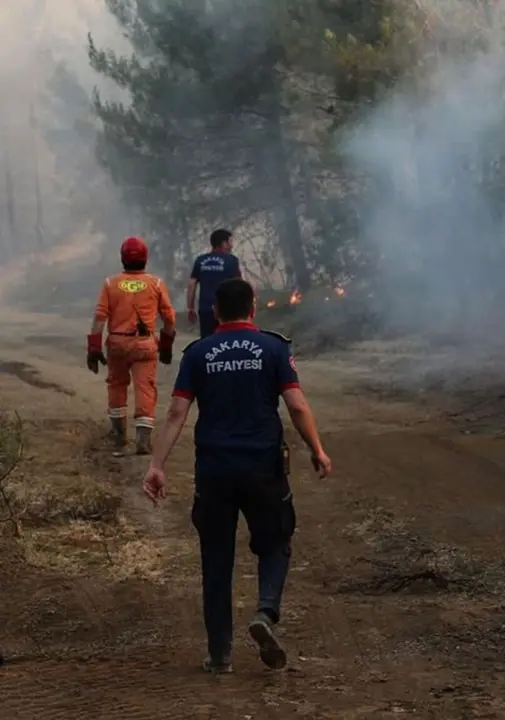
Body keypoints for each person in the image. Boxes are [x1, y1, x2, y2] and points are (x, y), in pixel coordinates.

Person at [142, 278, 332, 675]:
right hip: (263, 467)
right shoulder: (274, 347)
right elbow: (296, 405)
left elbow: (177, 414)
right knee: (276, 541)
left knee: (216, 560)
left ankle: (220, 655)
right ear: (254, 307)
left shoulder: (198, 353)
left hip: (214, 471)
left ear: (216, 312)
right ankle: (264, 612)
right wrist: (316, 449)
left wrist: (157, 465)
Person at [87, 236, 177, 454]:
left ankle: (119, 437)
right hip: (145, 345)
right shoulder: (155, 283)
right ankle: (143, 440)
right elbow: (169, 319)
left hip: (117, 344)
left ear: (122, 258)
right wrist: (165, 346)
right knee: (145, 387)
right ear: (145, 258)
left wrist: (94, 348)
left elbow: (100, 318)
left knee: (116, 385)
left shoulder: (111, 283)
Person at [187, 229, 241, 338]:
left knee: (207, 340)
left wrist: (191, 308)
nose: (232, 246)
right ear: (224, 243)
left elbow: (191, 284)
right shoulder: (232, 260)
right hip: (227, 311)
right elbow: (239, 285)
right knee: (226, 340)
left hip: (205, 309)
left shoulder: (200, 260)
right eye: (230, 242)